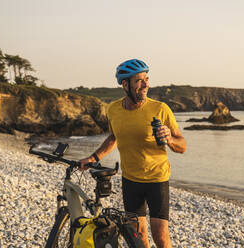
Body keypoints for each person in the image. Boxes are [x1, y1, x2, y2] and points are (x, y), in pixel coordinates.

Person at [79, 59, 186, 248]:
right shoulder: (113, 109)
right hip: (131, 180)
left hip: (157, 179)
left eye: (147, 79)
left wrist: (169, 139)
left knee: (160, 236)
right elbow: (114, 138)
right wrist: (93, 158)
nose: (145, 85)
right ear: (125, 84)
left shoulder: (160, 109)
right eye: (139, 80)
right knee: (138, 236)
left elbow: (182, 145)